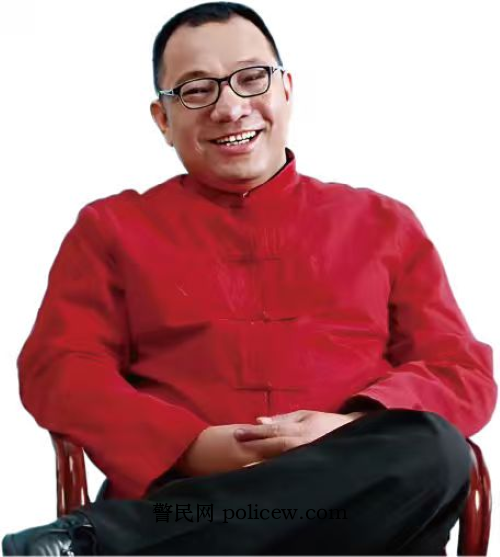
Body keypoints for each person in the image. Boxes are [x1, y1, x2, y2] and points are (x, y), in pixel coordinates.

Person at [2, 2, 496, 555]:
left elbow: (460, 371)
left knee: (434, 449)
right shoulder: (110, 229)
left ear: (286, 89)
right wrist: (191, 447)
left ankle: (99, 546)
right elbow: (59, 369)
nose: (231, 107)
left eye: (252, 78)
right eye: (196, 90)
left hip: (360, 521)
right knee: (435, 454)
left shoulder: (384, 223)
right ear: (163, 119)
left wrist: (348, 429)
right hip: (188, 502)